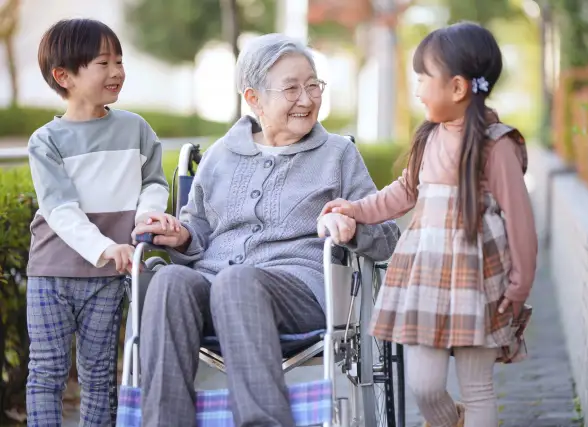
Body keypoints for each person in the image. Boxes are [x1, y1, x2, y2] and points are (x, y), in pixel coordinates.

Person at [130, 33, 400, 427]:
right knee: (169, 280)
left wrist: (351, 226)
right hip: (213, 283)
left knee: (237, 282)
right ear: (253, 98)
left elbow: (387, 235)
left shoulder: (338, 155)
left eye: (313, 85)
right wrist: (183, 236)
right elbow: (197, 225)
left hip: (300, 290)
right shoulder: (221, 154)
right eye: (292, 88)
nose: (307, 99)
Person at [320, 22, 538, 427]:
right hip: (426, 277)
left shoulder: (497, 145)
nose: (417, 88)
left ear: (457, 88)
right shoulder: (429, 139)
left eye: (423, 78)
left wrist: (520, 282)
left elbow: (521, 218)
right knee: (424, 384)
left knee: (478, 390)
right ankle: (447, 420)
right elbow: (401, 193)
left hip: (479, 279)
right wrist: (354, 209)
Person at [26, 19, 170, 426]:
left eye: (120, 61)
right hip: (51, 272)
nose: (117, 71)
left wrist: (145, 221)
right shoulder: (46, 140)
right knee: (46, 372)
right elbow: (59, 208)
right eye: (103, 62)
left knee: (100, 375)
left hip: (108, 275)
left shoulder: (136, 129)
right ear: (64, 76)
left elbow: (154, 183)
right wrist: (105, 247)